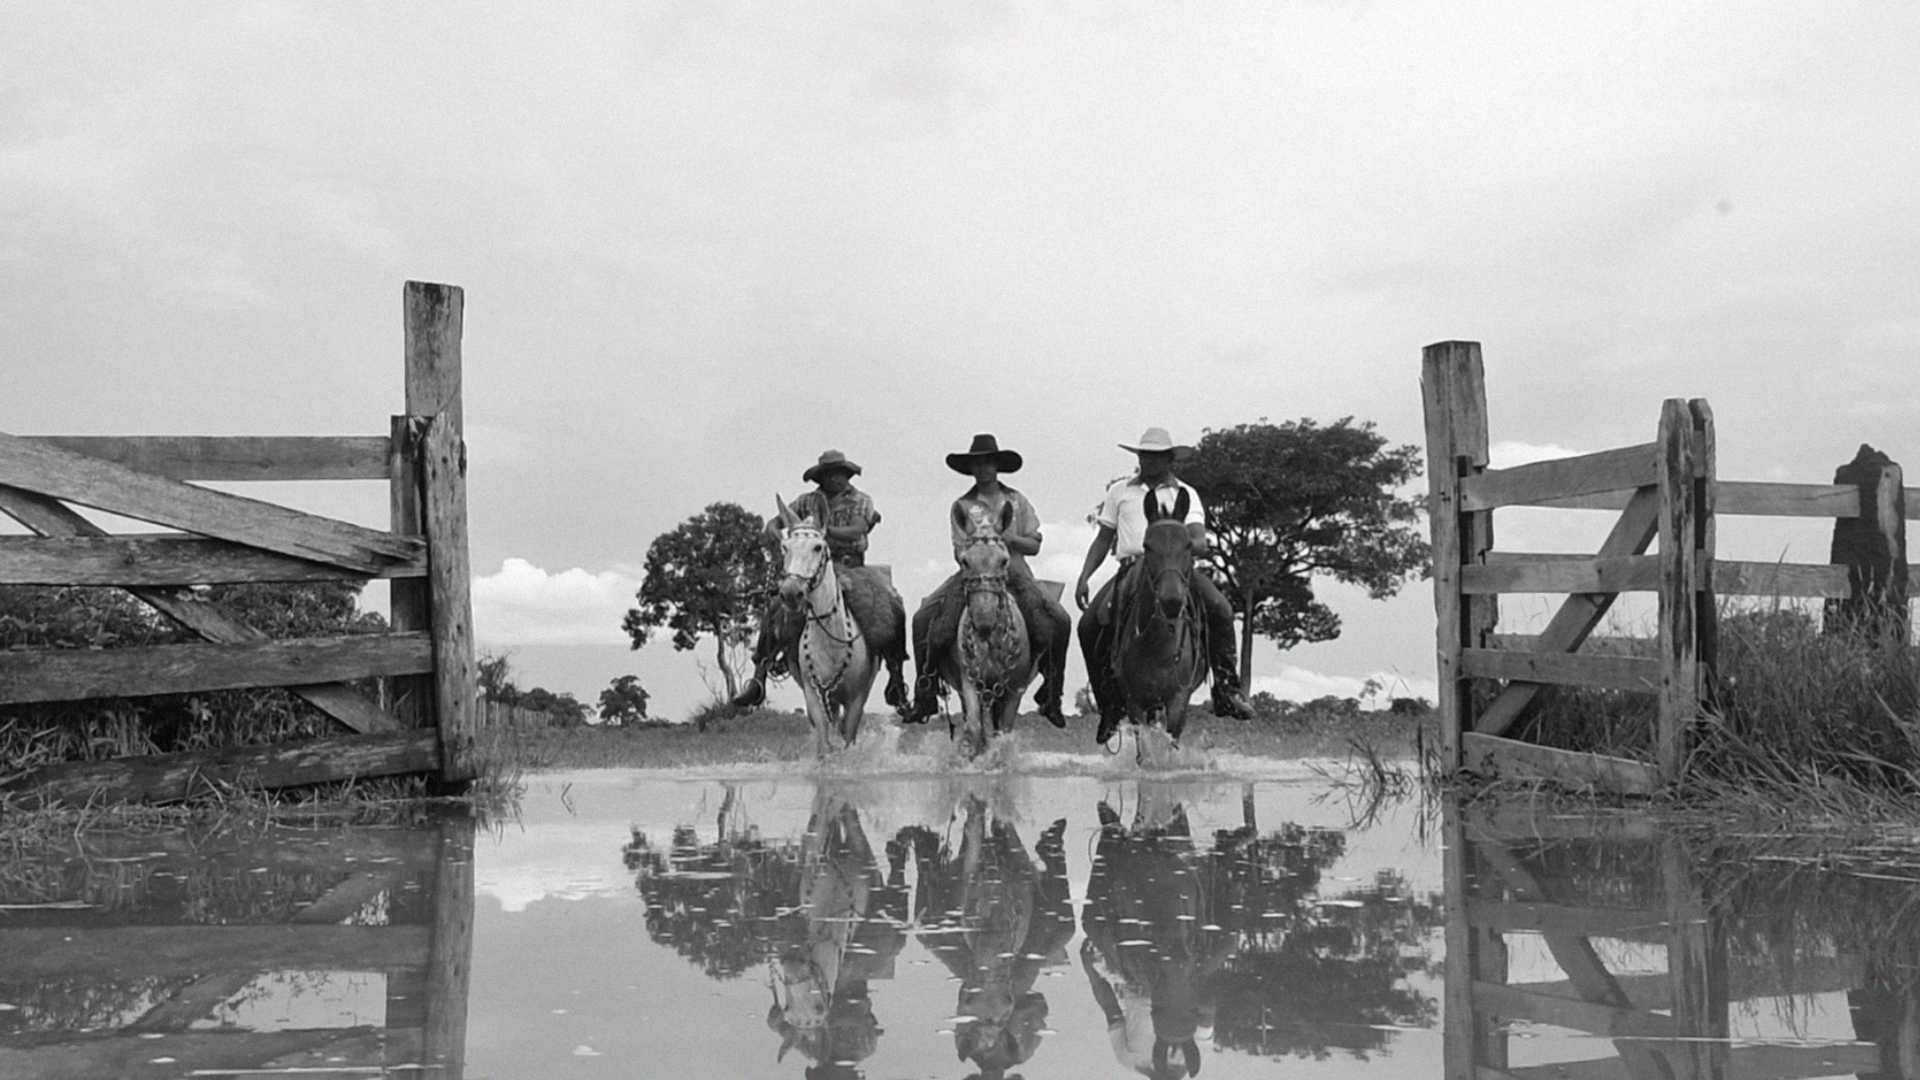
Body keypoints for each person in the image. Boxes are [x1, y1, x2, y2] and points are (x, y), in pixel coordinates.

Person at [1074, 427, 1256, 732]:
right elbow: (1104, 537)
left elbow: (1200, 540)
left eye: (1157, 456)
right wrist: (1084, 575)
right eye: (1145, 455)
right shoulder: (1120, 491)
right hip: (1132, 566)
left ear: (1170, 459)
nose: (1150, 461)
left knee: (1222, 610)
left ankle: (1226, 690)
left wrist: (1176, 544)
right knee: (1088, 625)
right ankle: (1110, 703)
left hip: (1175, 569)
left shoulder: (1186, 493)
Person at [903, 434, 1073, 728]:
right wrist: (978, 557)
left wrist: (1009, 539)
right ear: (971, 469)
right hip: (973, 574)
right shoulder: (963, 505)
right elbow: (959, 549)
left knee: (1059, 619)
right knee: (923, 619)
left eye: (988, 463)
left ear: (997, 466)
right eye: (977, 464)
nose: (983, 469)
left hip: (1015, 573)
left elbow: (1035, 544)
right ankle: (926, 690)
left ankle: (1052, 692)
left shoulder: (1017, 501)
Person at [730, 450, 908, 710]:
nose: (835, 478)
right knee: (776, 609)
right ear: (821, 477)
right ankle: (760, 676)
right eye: (829, 474)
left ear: (847, 474)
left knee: (891, 604)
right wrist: (774, 530)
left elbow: (857, 529)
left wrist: (820, 532)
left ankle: (896, 675)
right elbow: (778, 521)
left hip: (851, 566)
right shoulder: (806, 502)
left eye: (839, 473)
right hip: (809, 569)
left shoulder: (860, 499)